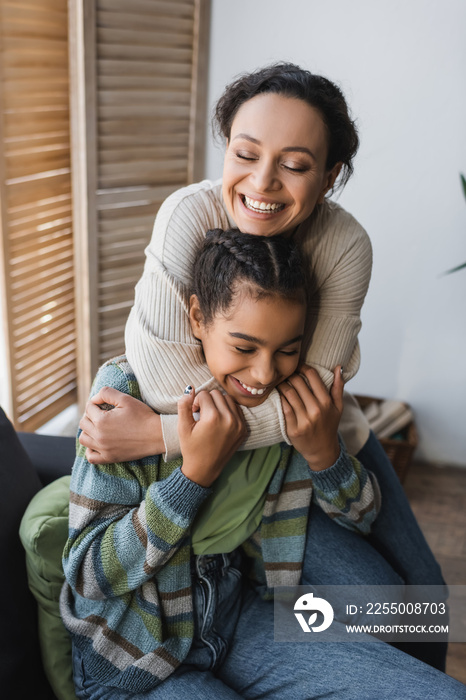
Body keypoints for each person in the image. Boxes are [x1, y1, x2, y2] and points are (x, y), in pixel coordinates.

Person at [77, 63, 447, 669]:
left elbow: (309, 398)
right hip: (229, 468)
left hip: (316, 447)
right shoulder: (187, 217)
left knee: (421, 606)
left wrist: (162, 433)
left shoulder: (344, 246)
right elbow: (167, 381)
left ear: (329, 177)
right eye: (246, 154)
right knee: (377, 609)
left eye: (296, 165)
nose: (263, 182)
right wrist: (193, 434)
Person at [60, 230, 464, 699]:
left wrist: (324, 455)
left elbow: (364, 515)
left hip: (239, 613)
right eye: (244, 347)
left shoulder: (289, 399)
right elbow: (89, 573)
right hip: (136, 655)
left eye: (286, 349)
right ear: (196, 316)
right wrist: (192, 478)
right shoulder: (124, 391)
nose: (265, 374)